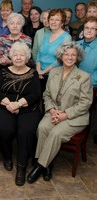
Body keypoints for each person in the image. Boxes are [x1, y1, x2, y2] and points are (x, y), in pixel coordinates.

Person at [27, 41, 93, 184]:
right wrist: (51, 110)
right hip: (54, 112)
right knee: (42, 128)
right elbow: (47, 95)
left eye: (73, 55)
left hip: (74, 117)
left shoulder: (84, 76)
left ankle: (40, 166)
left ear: (78, 57)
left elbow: (85, 103)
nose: (69, 57)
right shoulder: (54, 72)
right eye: (66, 54)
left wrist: (65, 114)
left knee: (56, 133)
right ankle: (48, 165)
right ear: (61, 56)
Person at [0, 42, 41, 186]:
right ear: (11, 56)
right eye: (15, 54)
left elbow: (36, 94)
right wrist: (8, 103)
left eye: (21, 55)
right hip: (5, 107)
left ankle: (21, 167)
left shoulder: (33, 73)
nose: (18, 57)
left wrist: (18, 103)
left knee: (25, 132)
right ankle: (7, 156)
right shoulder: (3, 71)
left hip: (28, 109)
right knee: (4, 128)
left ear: (27, 57)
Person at [36, 9, 72, 92]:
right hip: (40, 74)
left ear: (62, 22)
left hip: (55, 76)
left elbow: (61, 59)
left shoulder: (66, 37)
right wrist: (38, 70)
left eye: (57, 20)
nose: (53, 22)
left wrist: (44, 71)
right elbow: (39, 53)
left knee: (51, 102)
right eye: (51, 19)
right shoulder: (46, 35)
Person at [77, 16, 97, 144]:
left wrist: (83, 83)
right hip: (72, 85)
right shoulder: (76, 44)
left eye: (92, 28)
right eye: (86, 28)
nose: (89, 31)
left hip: (90, 87)